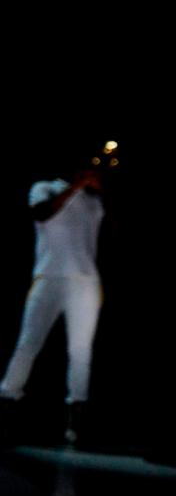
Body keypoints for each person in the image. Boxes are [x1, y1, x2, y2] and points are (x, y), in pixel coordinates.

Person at [1, 160, 107, 446]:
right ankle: (7, 405)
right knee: (28, 343)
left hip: (85, 281)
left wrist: (92, 189)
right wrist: (76, 186)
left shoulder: (93, 201)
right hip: (48, 277)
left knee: (80, 351)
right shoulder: (44, 188)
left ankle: (76, 420)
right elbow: (42, 214)